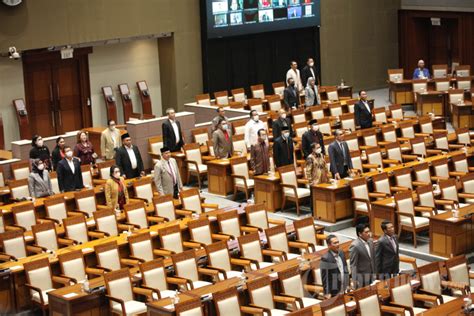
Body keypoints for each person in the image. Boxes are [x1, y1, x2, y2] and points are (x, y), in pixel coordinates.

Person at [350, 223, 376, 289]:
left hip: (371, 274)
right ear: (360, 234)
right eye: (366, 232)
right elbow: (353, 265)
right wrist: (355, 280)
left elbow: (372, 259)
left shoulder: (370, 241)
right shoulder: (355, 246)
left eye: (369, 231)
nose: (369, 233)